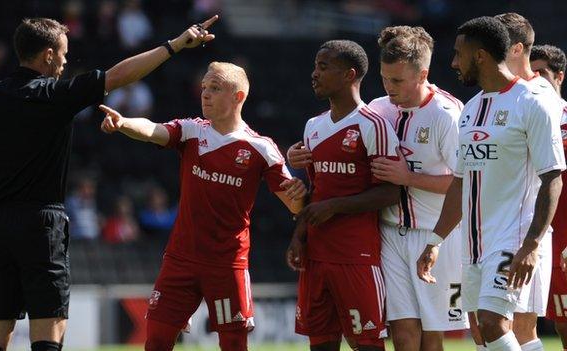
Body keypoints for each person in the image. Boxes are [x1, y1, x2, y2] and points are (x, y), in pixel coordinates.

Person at [0, 15, 219, 351]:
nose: (66, 61)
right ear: (48, 54)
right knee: (49, 331)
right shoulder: (56, 94)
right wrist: (175, 45)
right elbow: (120, 75)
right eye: (63, 53)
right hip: (40, 224)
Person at [99, 61, 307, 351]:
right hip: (180, 260)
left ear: (238, 97)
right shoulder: (191, 131)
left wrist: (301, 193)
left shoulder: (260, 148)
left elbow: (296, 204)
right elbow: (151, 129)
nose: (205, 94)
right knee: (156, 342)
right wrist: (124, 123)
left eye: (215, 88)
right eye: (204, 88)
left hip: (227, 263)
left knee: (234, 345)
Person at [417, 16, 565, 351]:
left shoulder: (532, 103)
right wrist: (436, 240)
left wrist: (531, 245)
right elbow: (459, 182)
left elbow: (552, 177)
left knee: (493, 322)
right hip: (474, 245)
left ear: (480, 55)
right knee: (483, 335)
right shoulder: (470, 110)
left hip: (513, 238)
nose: (454, 63)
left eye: (459, 54)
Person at [285, 40, 400, 351]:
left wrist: (336, 207)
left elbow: (391, 191)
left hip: (356, 255)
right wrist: (299, 235)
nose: (314, 74)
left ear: (349, 74)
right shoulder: (313, 126)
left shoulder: (374, 124)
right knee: (320, 344)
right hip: (317, 254)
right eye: (315, 66)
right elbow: (315, 191)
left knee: (367, 344)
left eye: (324, 67)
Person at [463, 13, 564, 351]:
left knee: (510, 323)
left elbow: (552, 174)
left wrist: (534, 243)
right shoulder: (476, 104)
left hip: (525, 229)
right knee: (488, 328)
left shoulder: (538, 96)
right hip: (481, 234)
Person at [367, 26, 468, 350]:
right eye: (384, 78)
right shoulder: (378, 108)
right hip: (390, 232)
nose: (388, 87)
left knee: (432, 333)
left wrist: (408, 177)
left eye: (397, 80)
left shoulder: (447, 114)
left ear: (422, 73)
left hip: (436, 235)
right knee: (404, 332)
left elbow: (464, 184)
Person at [530, 44, 567, 351]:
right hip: (539, 237)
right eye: (531, 73)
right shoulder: (524, 118)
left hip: (566, 237)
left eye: (542, 72)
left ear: (560, 77)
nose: (536, 79)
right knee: (557, 323)